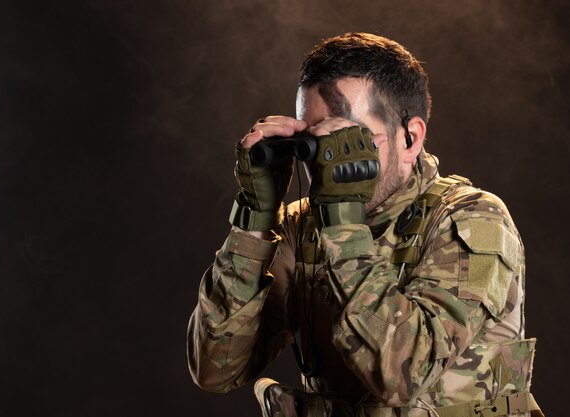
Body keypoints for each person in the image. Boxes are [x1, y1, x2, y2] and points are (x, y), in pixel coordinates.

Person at [187, 32, 544, 417]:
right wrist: (254, 222)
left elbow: (400, 375)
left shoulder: (474, 221)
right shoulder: (301, 227)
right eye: (314, 140)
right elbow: (216, 368)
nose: (324, 161)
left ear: (410, 138)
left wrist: (342, 221)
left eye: (348, 140)